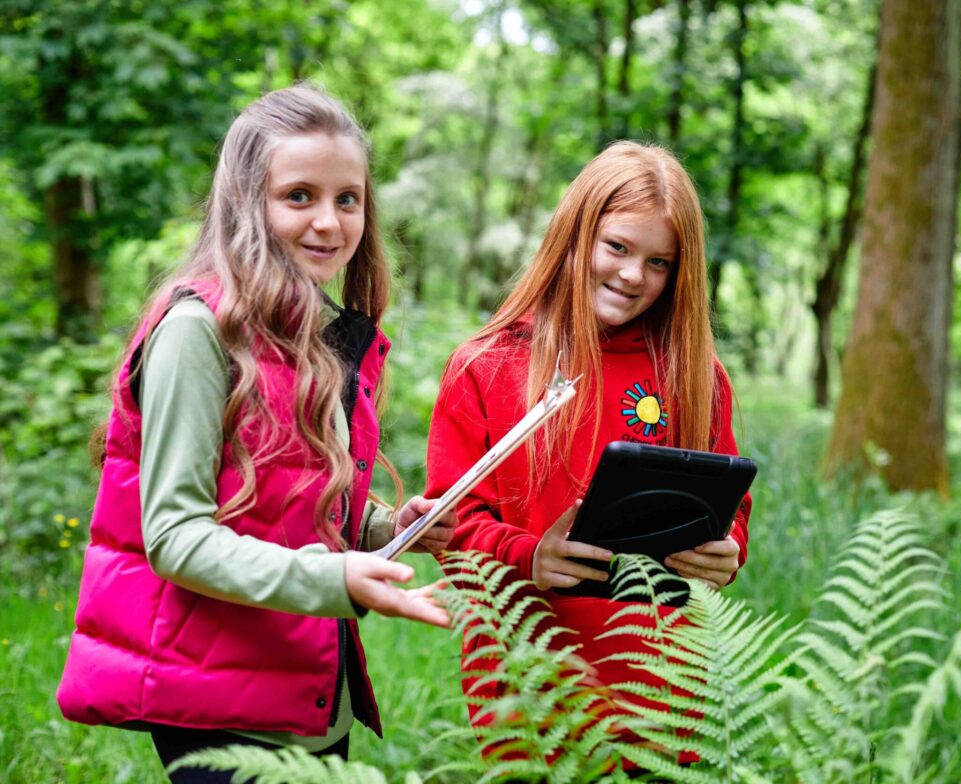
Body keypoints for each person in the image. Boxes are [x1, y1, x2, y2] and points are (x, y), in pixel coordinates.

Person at [56, 85, 456, 783]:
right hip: (216, 696)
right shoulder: (195, 331)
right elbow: (175, 536)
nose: (329, 223)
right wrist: (337, 578)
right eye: (298, 195)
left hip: (303, 685)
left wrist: (390, 527)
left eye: (348, 199)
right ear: (247, 202)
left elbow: (282, 498)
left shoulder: (311, 336)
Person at [424, 141, 752, 755]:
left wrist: (726, 547)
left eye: (659, 262)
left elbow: (729, 507)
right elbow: (452, 528)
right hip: (530, 700)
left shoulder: (694, 374)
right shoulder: (487, 365)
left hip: (666, 706)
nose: (633, 275)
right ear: (574, 236)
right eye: (618, 247)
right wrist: (528, 557)